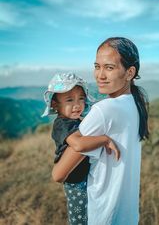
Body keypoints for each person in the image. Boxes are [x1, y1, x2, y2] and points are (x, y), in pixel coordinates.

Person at [52, 37, 149, 225]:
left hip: (102, 214)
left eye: (109, 68)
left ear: (130, 72)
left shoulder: (103, 111)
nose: (100, 75)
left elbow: (58, 174)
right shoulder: (137, 104)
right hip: (127, 214)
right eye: (97, 66)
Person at [42, 72, 120, 225]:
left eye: (81, 99)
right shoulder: (62, 124)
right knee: (80, 220)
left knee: (92, 215)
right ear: (54, 104)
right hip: (75, 181)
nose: (77, 105)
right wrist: (105, 139)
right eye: (70, 100)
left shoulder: (75, 121)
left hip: (83, 177)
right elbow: (78, 145)